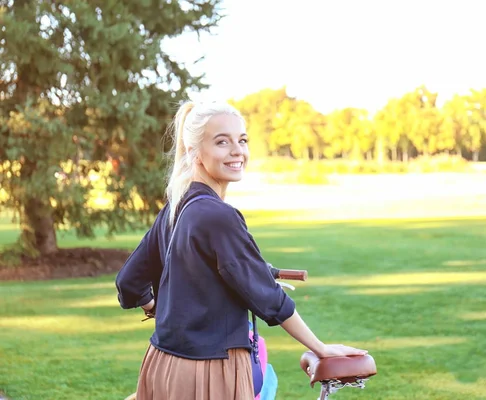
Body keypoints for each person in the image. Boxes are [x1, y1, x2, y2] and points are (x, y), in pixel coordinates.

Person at [115, 100, 367, 400]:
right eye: (222, 142)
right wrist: (321, 348)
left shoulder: (177, 208)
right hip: (210, 370)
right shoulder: (218, 216)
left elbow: (129, 283)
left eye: (242, 140)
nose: (237, 151)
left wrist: (161, 310)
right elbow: (268, 299)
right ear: (194, 152)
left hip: (162, 365)